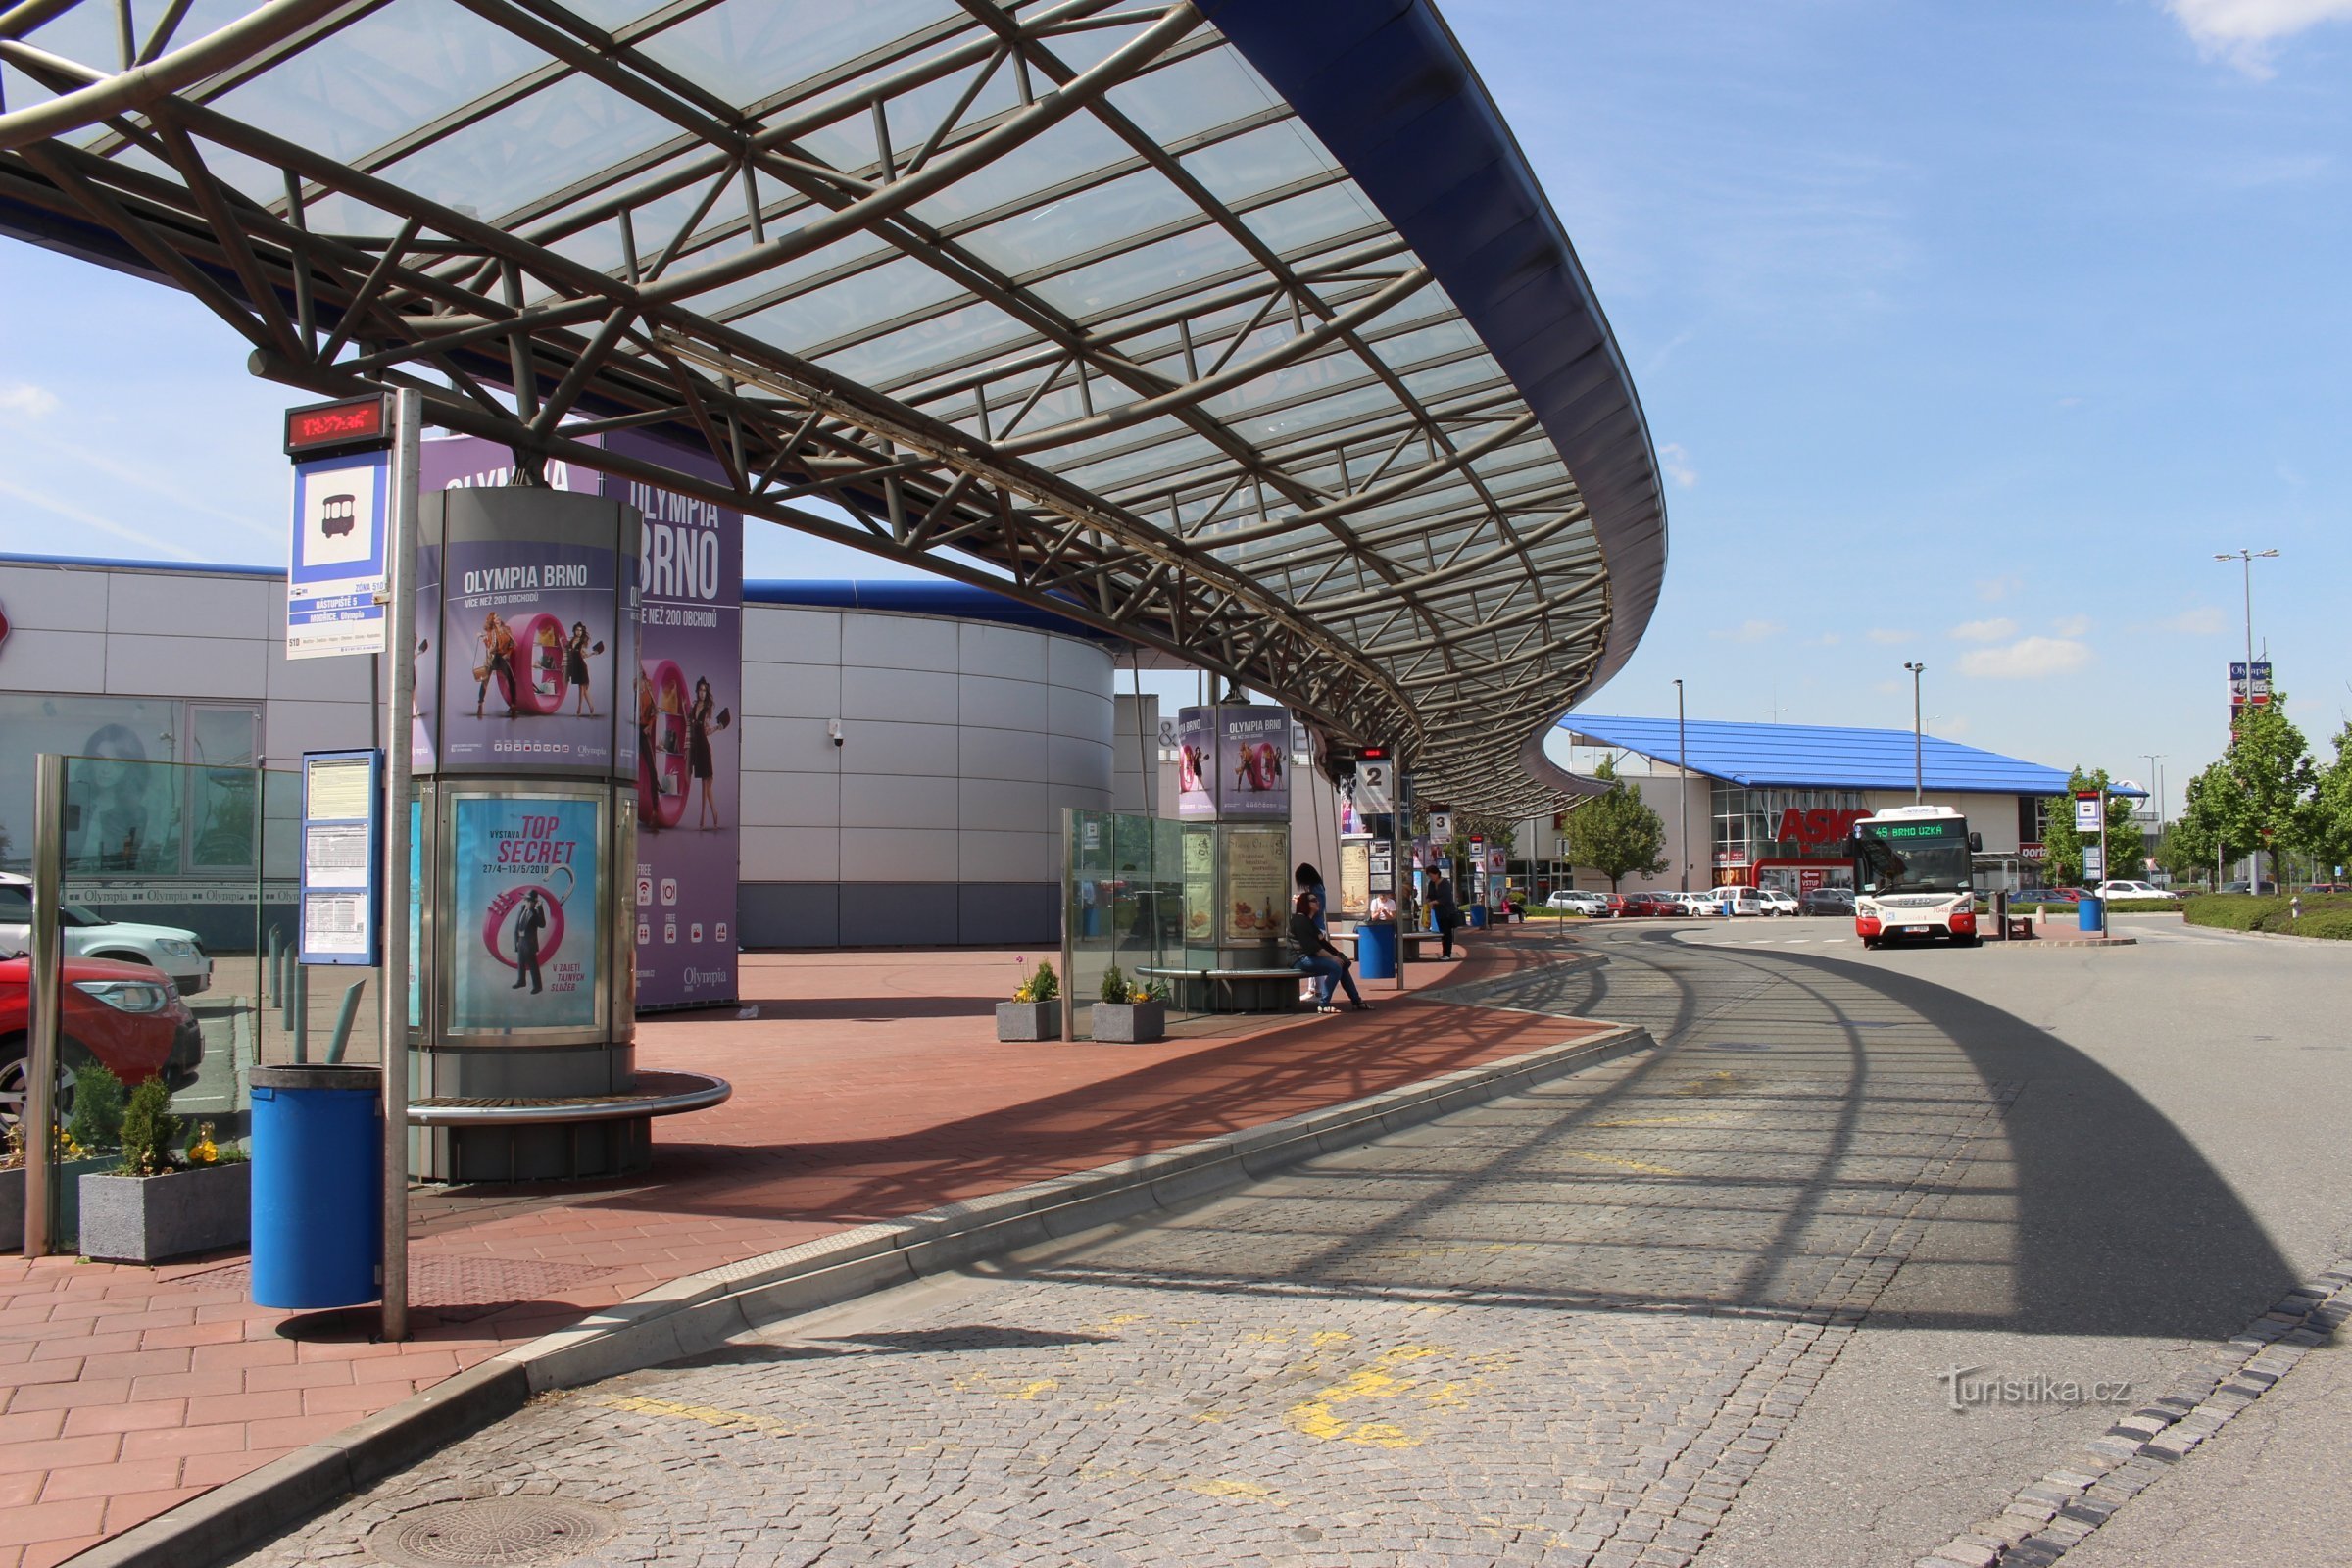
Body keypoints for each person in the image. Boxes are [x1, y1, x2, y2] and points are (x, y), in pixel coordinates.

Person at [1290, 892, 1367, 1013]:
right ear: (1306, 904)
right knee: (1335, 967)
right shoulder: (1299, 921)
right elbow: (1312, 947)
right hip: (1300, 959)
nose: (1318, 902)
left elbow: (1322, 942)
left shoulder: (1308, 921)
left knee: (1342, 965)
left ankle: (1357, 1001)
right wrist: (1332, 958)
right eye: (1314, 900)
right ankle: (1323, 1004)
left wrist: (1337, 954)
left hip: (1309, 957)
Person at [689, 676, 719, 828]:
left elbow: (706, 730)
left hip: (705, 748)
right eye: (700, 690)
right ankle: (714, 812)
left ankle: (702, 818)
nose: (702, 693)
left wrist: (717, 728)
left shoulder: (707, 708)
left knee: (705, 784)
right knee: (705, 784)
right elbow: (690, 726)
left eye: (704, 690)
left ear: (706, 692)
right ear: (697, 691)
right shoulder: (694, 707)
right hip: (697, 749)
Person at [475, 612, 517, 718]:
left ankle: (513, 706)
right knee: (485, 681)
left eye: (498, 616)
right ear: (492, 621)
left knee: (512, 679)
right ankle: (480, 704)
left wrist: (507, 654)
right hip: (492, 657)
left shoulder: (507, 629)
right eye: (495, 618)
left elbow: (512, 645)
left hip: (502, 657)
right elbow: (489, 647)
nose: (498, 618)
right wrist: (483, 638)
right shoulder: (490, 632)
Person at [512, 888, 548, 994]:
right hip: (521, 940)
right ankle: (521, 981)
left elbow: (542, 924)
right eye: (527, 900)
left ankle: (538, 986)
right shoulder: (521, 910)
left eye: (531, 901)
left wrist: (540, 907)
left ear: (534, 903)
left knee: (533, 965)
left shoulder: (535, 913)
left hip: (530, 943)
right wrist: (517, 942)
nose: (528, 903)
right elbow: (516, 927)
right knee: (521, 963)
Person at [566, 622, 597, 715]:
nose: (579, 632)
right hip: (575, 667)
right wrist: (560, 641)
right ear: (574, 631)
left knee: (581, 687)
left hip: (581, 667)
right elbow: (567, 650)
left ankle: (579, 707)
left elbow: (584, 655)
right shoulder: (571, 641)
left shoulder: (582, 642)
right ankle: (591, 706)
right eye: (577, 630)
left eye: (580, 630)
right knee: (584, 689)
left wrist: (592, 653)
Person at [1430, 873, 1462, 958]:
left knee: (1447, 934)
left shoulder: (1445, 884)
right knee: (1444, 934)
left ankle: (1447, 954)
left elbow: (1445, 899)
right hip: (1440, 914)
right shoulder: (1432, 884)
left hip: (1447, 914)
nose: (1431, 877)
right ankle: (1446, 953)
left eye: (1431, 875)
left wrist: (1433, 902)